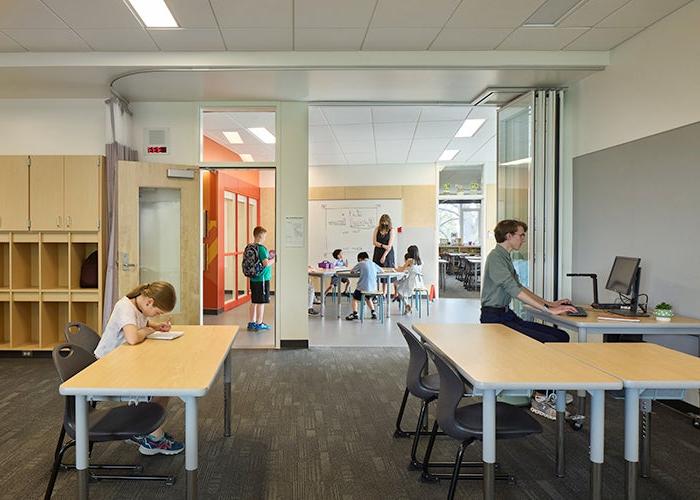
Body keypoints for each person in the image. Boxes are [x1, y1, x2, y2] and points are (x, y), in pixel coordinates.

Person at [481, 219, 577, 419]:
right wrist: (548, 311)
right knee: (551, 341)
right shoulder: (496, 257)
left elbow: (520, 287)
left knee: (560, 335)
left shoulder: (504, 256)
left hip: (505, 314)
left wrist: (550, 304)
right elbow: (513, 289)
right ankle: (540, 397)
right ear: (509, 236)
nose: (523, 239)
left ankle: (546, 390)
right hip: (495, 319)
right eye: (521, 235)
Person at [93, 281, 184, 455]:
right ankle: (153, 440)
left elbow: (140, 325)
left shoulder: (137, 305)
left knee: (161, 374)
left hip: (120, 362)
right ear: (149, 301)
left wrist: (155, 326)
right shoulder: (125, 307)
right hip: (107, 369)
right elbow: (133, 338)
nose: (156, 315)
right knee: (162, 385)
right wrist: (149, 331)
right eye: (157, 312)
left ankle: (143, 430)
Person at [248, 226, 274, 332]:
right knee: (261, 302)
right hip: (262, 279)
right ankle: (259, 323)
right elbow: (266, 264)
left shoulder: (250, 247)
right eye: (264, 236)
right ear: (260, 236)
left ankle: (252, 322)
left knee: (254, 300)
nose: (265, 238)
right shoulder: (262, 248)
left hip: (254, 278)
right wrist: (274, 259)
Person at [345, 252, 383, 321]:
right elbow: (381, 270)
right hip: (373, 288)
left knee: (354, 299)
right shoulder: (373, 263)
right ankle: (373, 312)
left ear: (360, 258)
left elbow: (352, 271)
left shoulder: (361, 263)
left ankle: (355, 313)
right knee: (368, 298)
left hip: (363, 288)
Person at [395, 245, 425, 314]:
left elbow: (401, 270)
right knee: (402, 288)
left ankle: (407, 304)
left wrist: (396, 268)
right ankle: (407, 305)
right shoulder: (421, 261)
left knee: (399, 290)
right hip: (419, 283)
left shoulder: (410, 260)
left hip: (411, 282)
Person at [372, 214, 396, 296]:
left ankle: (384, 293)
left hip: (388, 254)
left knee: (386, 272)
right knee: (376, 272)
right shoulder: (377, 229)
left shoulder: (391, 230)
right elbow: (374, 242)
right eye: (382, 222)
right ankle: (376, 291)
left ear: (388, 222)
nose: (384, 224)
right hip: (377, 252)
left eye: (385, 222)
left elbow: (389, 246)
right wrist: (382, 245)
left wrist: (384, 256)